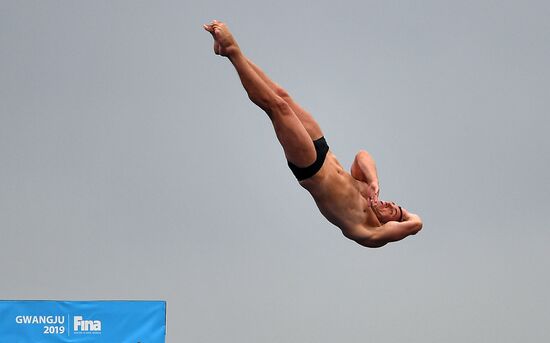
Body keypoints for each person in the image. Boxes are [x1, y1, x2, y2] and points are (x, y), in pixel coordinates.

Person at [203, 20, 422, 248]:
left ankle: (231, 50)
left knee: (277, 108)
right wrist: (375, 181)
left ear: (390, 224)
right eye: (394, 203)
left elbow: (416, 223)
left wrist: (402, 214)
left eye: (391, 210)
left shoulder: (367, 231)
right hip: (323, 150)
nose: (388, 203)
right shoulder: (368, 191)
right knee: (283, 96)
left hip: (311, 169)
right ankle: (229, 53)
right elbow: (361, 155)